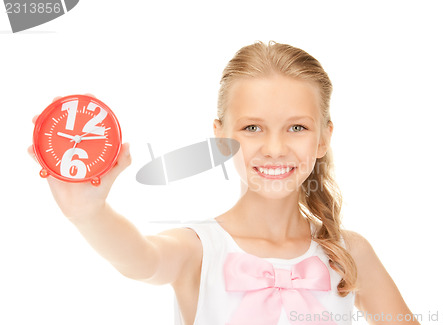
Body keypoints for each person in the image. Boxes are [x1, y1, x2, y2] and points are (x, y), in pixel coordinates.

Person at [28, 41, 420, 325]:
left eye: (296, 127)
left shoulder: (350, 253)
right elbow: (140, 259)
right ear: (221, 137)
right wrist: (89, 214)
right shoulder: (198, 249)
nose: (275, 148)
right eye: (252, 128)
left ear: (323, 138)